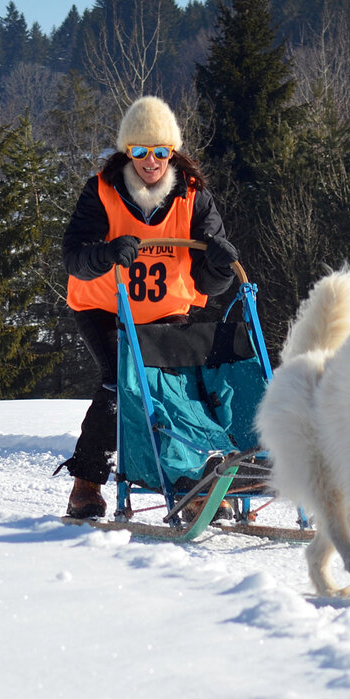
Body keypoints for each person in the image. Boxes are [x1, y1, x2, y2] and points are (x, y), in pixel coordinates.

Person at [57, 95, 239, 520]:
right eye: (140, 151)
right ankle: (87, 483)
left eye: (160, 151)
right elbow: (74, 256)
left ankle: (188, 481)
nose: (150, 160)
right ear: (127, 152)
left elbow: (210, 279)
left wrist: (220, 267)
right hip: (105, 306)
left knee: (173, 390)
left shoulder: (193, 198)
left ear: (171, 152)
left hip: (164, 311)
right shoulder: (102, 191)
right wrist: (105, 254)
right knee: (118, 383)